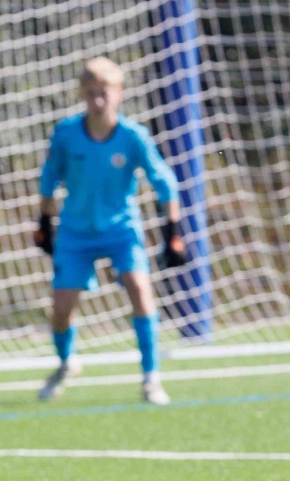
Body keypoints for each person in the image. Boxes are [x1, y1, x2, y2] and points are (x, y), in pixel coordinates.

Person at [33, 57, 186, 405]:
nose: (98, 101)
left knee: (140, 288)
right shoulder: (67, 134)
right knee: (61, 309)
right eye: (90, 94)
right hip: (75, 231)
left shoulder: (133, 136)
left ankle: (151, 378)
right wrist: (43, 222)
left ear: (120, 94)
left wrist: (173, 231)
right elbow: (49, 177)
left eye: (104, 93)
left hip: (121, 229)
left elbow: (164, 181)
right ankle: (66, 362)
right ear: (82, 95)